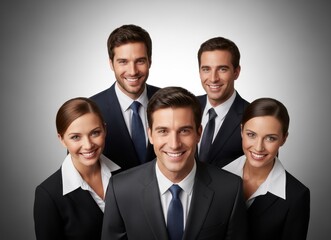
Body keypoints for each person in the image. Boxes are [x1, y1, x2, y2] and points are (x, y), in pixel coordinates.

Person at [101, 86, 248, 240]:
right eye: (163, 131)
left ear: (199, 133)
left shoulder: (230, 190)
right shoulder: (120, 190)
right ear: (150, 134)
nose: (174, 144)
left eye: (184, 131)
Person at [222, 97, 310, 240]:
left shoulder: (296, 196)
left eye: (270, 138)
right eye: (251, 135)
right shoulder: (217, 173)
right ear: (241, 131)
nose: (258, 147)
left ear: (284, 139)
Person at [33, 97, 121, 240]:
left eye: (95, 133)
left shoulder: (125, 174)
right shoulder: (49, 195)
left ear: (105, 130)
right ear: (61, 139)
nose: (88, 145)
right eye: (75, 137)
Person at [90, 24, 160, 170]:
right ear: (111, 64)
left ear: (150, 61)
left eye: (140, 61)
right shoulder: (90, 109)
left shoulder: (170, 102)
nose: (132, 71)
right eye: (123, 62)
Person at [197, 37, 249, 168]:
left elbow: (264, 174)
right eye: (206, 69)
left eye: (222, 69)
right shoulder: (188, 106)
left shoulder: (252, 116)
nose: (213, 79)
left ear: (236, 72)